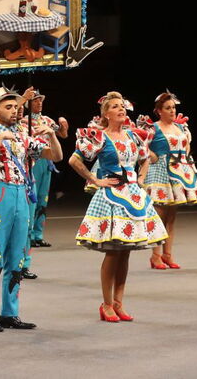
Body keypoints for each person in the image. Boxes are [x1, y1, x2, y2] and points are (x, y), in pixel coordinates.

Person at [68, 92, 167, 322]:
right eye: (114, 106)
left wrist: (141, 178)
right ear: (106, 114)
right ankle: (106, 304)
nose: (121, 109)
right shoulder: (99, 137)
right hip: (111, 196)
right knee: (113, 253)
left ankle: (119, 302)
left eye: (122, 106)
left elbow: (146, 158)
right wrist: (96, 180)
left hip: (133, 196)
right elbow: (75, 160)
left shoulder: (133, 136)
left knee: (126, 253)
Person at [0, 86, 62, 333]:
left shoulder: (23, 137)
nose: (14, 111)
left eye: (15, 107)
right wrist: (0, 138)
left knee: (17, 257)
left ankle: (10, 313)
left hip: (22, 195)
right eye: (8, 107)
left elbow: (55, 156)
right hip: (0, 193)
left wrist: (51, 135)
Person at [141, 91, 197, 270]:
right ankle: (155, 256)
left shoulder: (181, 128)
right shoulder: (153, 128)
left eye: (174, 108)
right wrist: (152, 156)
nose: (172, 111)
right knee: (159, 215)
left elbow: (186, 146)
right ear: (159, 111)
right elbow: (141, 147)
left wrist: (185, 162)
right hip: (160, 172)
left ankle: (167, 255)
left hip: (178, 172)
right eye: (168, 108)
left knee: (171, 217)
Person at [24, 90, 69, 251]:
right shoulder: (24, 121)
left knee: (43, 198)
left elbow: (63, 135)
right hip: (33, 160)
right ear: (29, 103)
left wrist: (63, 126)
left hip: (47, 160)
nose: (39, 103)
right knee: (32, 198)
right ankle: (27, 235)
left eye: (40, 100)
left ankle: (38, 235)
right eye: (35, 100)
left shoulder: (47, 120)